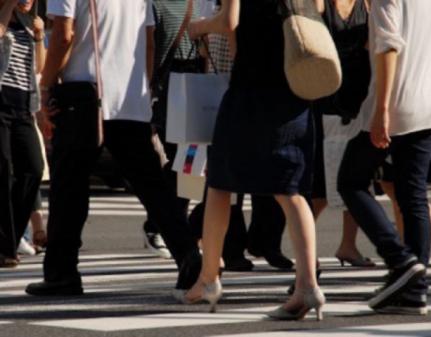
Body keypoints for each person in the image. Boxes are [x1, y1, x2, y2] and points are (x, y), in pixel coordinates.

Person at [26, 0, 201, 296]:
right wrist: (143, 91)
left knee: (69, 189)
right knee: (153, 187)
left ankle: (62, 273)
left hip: (84, 96)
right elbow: (148, 42)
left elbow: (64, 35)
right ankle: (188, 255)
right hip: (131, 98)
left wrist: (45, 86)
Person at [181, 0, 324, 320]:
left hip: (252, 88)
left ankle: (208, 280)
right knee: (290, 188)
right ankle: (308, 285)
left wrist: (200, 26)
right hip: (296, 86)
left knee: (219, 181)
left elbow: (230, 20)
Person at [337, 0, 431, 315]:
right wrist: (420, 63)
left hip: (392, 104)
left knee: (351, 182)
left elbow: (387, 45)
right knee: (413, 195)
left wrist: (382, 109)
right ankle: (415, 289)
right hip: (426, 102)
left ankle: (400, 260)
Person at [312, 0, 374, 268]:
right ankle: (308, 252)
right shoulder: (321, 3)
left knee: (358, 178)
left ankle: (348, 245)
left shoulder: (367, 3)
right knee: (322, 187)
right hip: (327, 97)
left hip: (359, 98)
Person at [0, 0, 45, 268]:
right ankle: (7, 247)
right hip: (0, 104)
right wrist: (8, 6)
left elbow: (39, 67)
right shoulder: (4, 17)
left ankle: (10, 238)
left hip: (23, 107)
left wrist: (39, 36)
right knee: (3, 170)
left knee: (33, 168)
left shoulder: (30, 24)